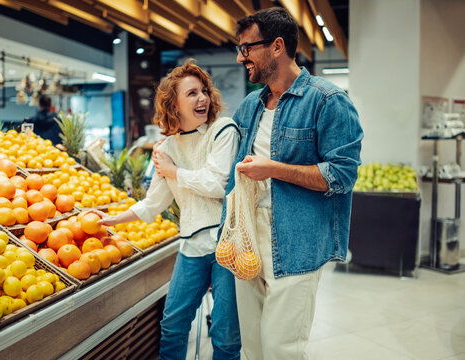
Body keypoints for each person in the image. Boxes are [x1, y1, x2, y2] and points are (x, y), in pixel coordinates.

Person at [220, 7, 363, 360]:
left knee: (281, 349)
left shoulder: (327, 100)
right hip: (246, 236)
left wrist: (274, 169)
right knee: (251, 347)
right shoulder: (251, 106)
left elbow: (342, 176)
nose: (241, 57)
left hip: (296, 240)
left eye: (247, 48)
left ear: (277, 47)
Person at [91, 60, 241, 360]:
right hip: (191, 246)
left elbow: (217, 183)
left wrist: (174, 173)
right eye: (192, 93)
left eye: (204, 91)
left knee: (225, 335)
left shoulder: (223, 130)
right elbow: (154, 202)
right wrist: (114, 219)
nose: (202, 99)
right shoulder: (166, 149)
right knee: (172, 324)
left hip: (227, 245)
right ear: (174, 105)